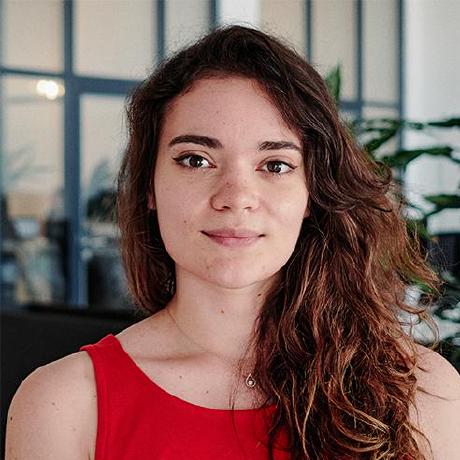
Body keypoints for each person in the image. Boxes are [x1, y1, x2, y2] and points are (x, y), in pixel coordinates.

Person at [5, 25, 460, 460]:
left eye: (275, 165)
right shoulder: (65, 406)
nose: (236, 197)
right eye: (196, 159)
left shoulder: (420, 390)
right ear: (149, 186)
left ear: (312, 192)